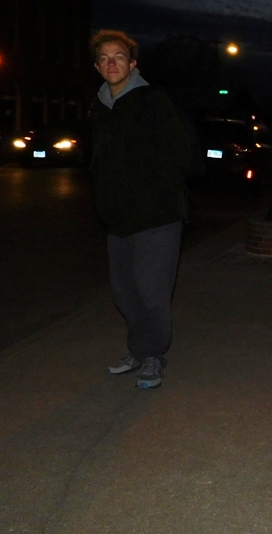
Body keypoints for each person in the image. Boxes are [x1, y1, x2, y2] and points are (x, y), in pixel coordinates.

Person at [88, 29, 193, 389]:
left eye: (118, 56)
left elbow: (179, 155)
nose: (111, 63)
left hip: (156, 217)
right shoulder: (100, 107)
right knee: (124, 292)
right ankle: (138, 349)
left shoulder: (152, 100)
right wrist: (101, 201)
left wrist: (153, 195)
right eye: (104, 58)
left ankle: (153, 355)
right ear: (97, 66)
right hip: (117, 220)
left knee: (151, 292)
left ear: (132, 64)